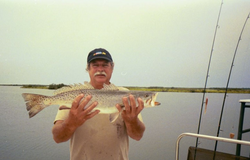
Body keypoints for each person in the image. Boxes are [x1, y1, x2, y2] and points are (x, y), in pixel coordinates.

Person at [52, 48, 145, 160]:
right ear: (88, 69)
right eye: (95, 65)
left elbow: (138, 136)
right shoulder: (76, 96)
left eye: (105, 65)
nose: (100, 69)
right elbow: (58, 138)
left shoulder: (125, 95)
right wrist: (71, 122)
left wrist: (132, 121)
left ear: (112, 67)